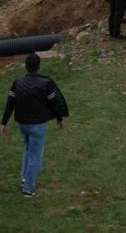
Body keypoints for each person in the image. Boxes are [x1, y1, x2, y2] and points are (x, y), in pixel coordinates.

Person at [1, 53, 69, 198]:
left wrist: (4, 122)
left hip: (22, 124)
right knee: (35, 158)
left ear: (26, 66)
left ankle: (25, 178)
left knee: (28, 150)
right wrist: (60, 118)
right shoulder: (46, 83)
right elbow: (54, 102)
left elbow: (10, 103)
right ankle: (28, 188)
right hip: (37, 126)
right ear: (38, 66)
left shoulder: (17, 82)